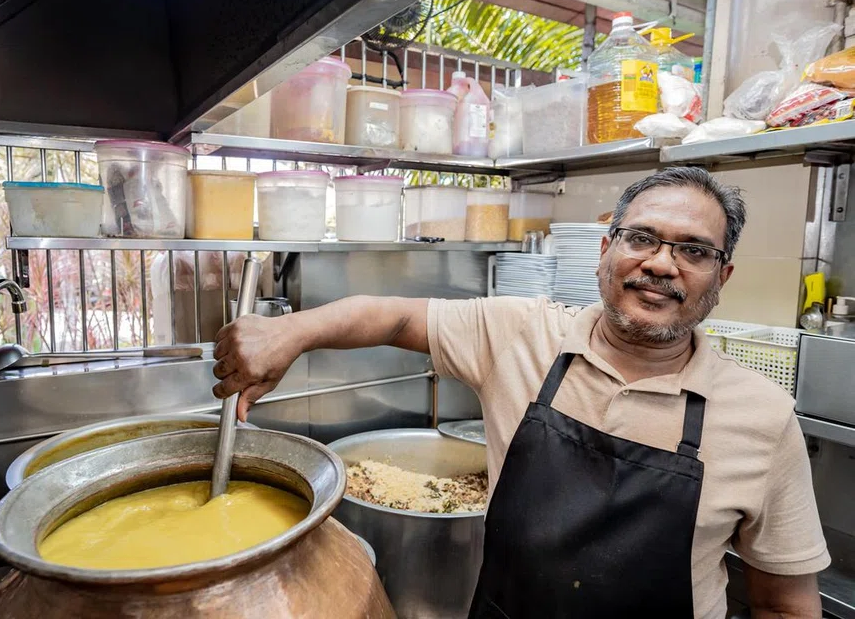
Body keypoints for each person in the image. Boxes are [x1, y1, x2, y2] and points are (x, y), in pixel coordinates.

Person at [212, 167, 829, 618]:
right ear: (605, 250)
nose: (662, 264)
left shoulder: (762, 416)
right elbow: (393, 317)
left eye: (693, 250)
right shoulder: (522, 334)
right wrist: (289, 330)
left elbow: (786, 605)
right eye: (641, 238)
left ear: (720, 277)